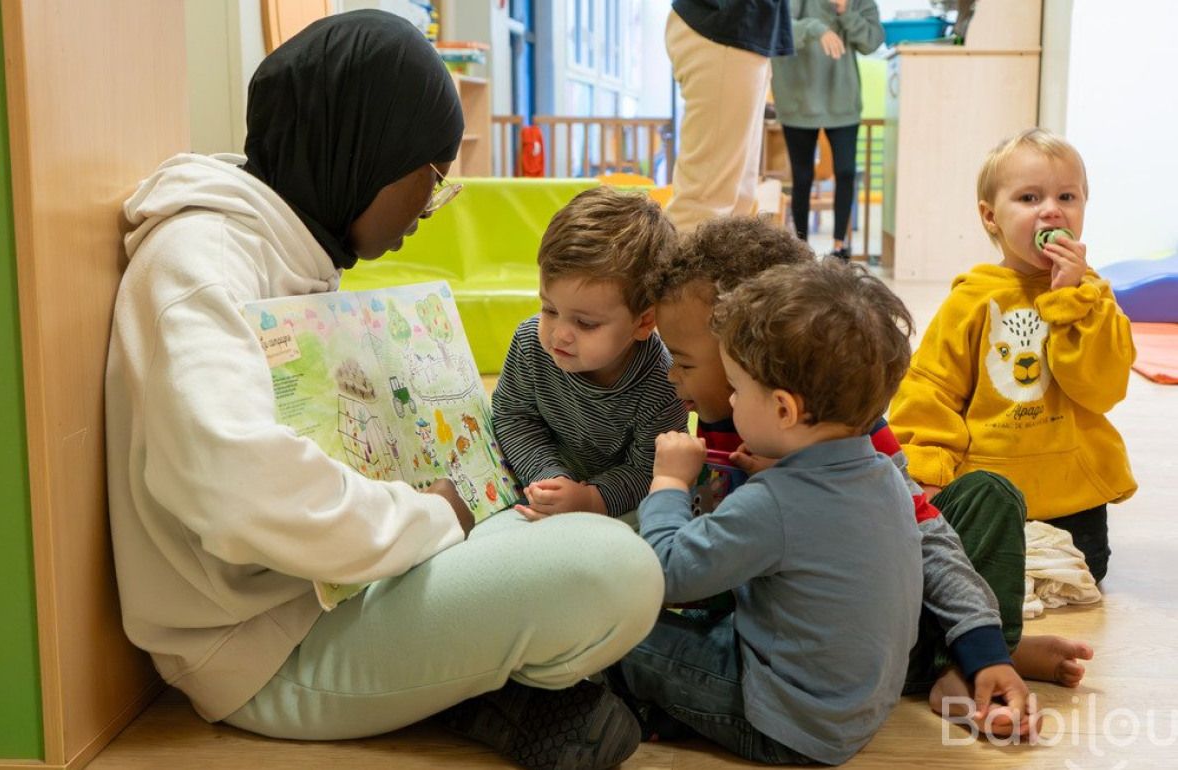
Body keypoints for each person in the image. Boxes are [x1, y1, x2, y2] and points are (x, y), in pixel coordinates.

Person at [105, 12, 663, 770]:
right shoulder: (199, 266)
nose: (427, 210)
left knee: (548, 520)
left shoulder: (287, 239)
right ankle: (502, 692)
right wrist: (428, 515)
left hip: (332, 588)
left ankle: (495, 687)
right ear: (370, 152)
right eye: (431, 178)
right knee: (618, 569)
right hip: (262, 647)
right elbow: (235, 490)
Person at [645, 216, 1093, 740]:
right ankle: (973, 649)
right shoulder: (714, 414)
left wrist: (982, 646)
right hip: (799, 620)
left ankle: (969, 660)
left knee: (986, 497)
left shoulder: (857, 440)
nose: (671, 376)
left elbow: (924, 537)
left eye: (683, 362)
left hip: (858, 641)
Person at [612, 259, 924, 765]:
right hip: (855, 710)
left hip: (785, 726)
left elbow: (664, 573)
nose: (730, 400)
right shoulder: (884, 474)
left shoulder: (776, 504)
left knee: (613, 626)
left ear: (783, 410)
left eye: (736, 388)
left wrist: (668, 481)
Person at [889, 128, 1137, 584]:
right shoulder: (972, 300)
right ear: (990, 217)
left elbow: (1102, 389)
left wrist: (1070, 301)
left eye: (1067, 196)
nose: (1051, 209)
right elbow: (930, 390)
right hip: (992, 488)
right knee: (967, 570)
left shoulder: (1093, 295)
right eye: (1028, 197)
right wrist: (927, 467)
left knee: (1088, 569)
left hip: (1071, 489)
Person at [492, 187, 688, 519]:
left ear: (643, 322)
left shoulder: (663, 384)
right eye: (549, 309)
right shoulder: (530, 344)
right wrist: (549, 478)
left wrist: (589, 500)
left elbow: (649, 471)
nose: (560, 335)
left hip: (612, 507)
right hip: (537, 484)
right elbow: (513, 417)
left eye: (585, 323)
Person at [664, 0, 794, 232]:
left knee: (737, 205)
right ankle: (680, 267)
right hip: (724, 26)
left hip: (741, 30)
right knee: (704, 206)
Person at [770, 0, 883, 259]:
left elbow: (873, 41)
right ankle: (802, 250)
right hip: (797, 99)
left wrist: (846, 12)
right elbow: (777, 30)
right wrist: (816, 28)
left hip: (842, 100)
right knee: (802, 178)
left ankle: (839, 247)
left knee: (845, 172)